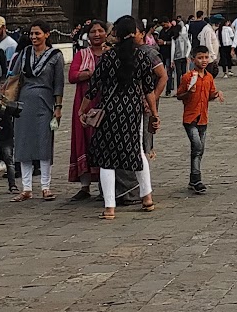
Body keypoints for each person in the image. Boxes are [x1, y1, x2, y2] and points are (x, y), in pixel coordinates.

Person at [87, 15, 165, 219]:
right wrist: (154, 114)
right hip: (132, 111)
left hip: (111, 110)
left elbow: (93, 86)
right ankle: (147, 197)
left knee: (107, 159)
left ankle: (109, 208)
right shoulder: (142, 57)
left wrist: (82, 110)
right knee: (137, 151)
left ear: (117, 34)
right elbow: (149, 89)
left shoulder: (108, 57)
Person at [6, 21, 64, 203]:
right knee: (23, 143)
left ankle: (46, 187)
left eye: (37, 34)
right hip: (24, 102)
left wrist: (58, 107)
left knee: (44, 144)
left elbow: (59, 83)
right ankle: (26, 188)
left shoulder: (55, 56)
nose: (33, 37)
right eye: (31, 34)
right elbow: (14, 76)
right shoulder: (24, 54)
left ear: (47, 34)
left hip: (45, 102)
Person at [66, 20, 107, 201]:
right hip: (84, 102)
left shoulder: (110, 53)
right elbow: (72, 76)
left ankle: (104, 185)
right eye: (93, 32)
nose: (97, 34)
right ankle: (85, 185)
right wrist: (92, 73)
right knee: (83, 139)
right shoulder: (82, 55)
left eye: (100, 31)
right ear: (87, 35)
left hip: (105, 102)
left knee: (103, 141)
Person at [175, 45, 222, 194]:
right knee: (197, 146)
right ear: (193, 59)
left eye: (206, 57)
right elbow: (179, 95)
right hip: (190, 118)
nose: (203, 60)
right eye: (200, 57)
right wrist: (189, 92)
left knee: (199, 149)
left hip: (203, 118)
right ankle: (197, 178)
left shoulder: (208, 77)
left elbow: (210, 95)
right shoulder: (188, 77)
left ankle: (193, 179)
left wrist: (217, 94)